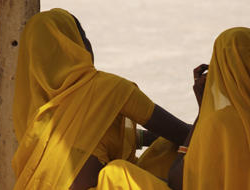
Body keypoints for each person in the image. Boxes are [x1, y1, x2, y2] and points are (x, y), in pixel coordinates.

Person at [11, 8, 191, 190]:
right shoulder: (110, 88)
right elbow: (185, 134)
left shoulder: (31, 107)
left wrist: (143, 138)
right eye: (84, 36)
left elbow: (82, 141)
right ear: (76, 44)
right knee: (161, 150)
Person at [96, 27, 250, 190]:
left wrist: (203, 112)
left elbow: (177, 181)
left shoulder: (219, 123)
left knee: (115, 173)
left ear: (219, 68)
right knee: (164, 145)